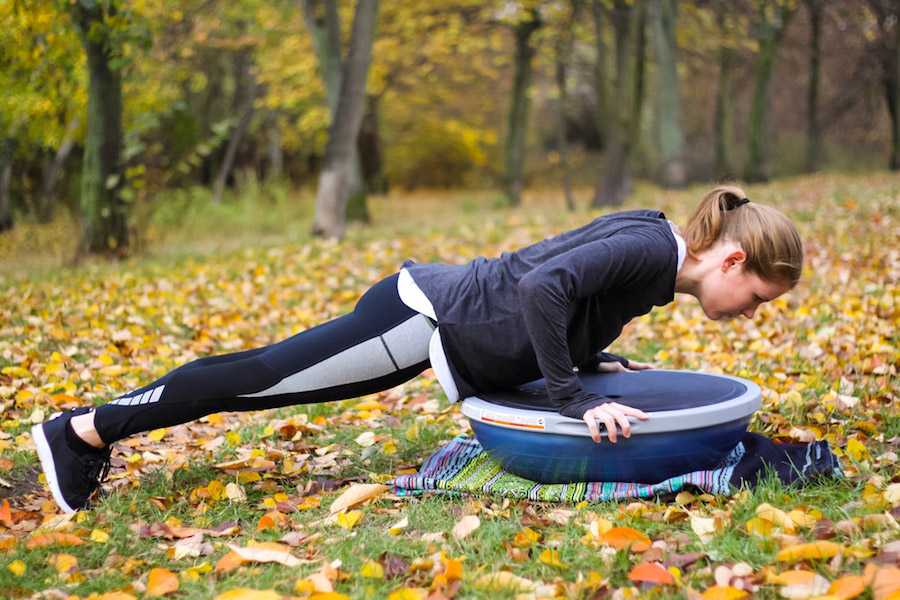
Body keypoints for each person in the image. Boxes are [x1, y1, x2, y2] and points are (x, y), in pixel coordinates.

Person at [31, 185, 803, 513]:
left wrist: (595, 364)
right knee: (257, 378)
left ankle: (87, 428)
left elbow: (563, 288)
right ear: (732, 261)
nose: (754, 313)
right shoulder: (649, 251)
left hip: (435, 322)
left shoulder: (656, 251)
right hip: (424, 319)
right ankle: (82, 430)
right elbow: (542, 291)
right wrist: (573, 397)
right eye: (761, 298)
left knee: (261, 378)